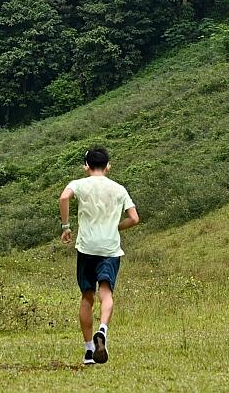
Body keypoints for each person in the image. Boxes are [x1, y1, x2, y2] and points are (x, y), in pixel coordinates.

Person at [59, 145, 138, 365]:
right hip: (110, 249)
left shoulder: (78, 184)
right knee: (106, 292)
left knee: (87, 296)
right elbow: (134, 218)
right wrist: (116, 228)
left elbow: (64, 198)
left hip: (86, 248)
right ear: (108, 166)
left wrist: (66, 226)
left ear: (86, 166)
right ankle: (102, 330)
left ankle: (88, 351)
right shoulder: (119, 189)